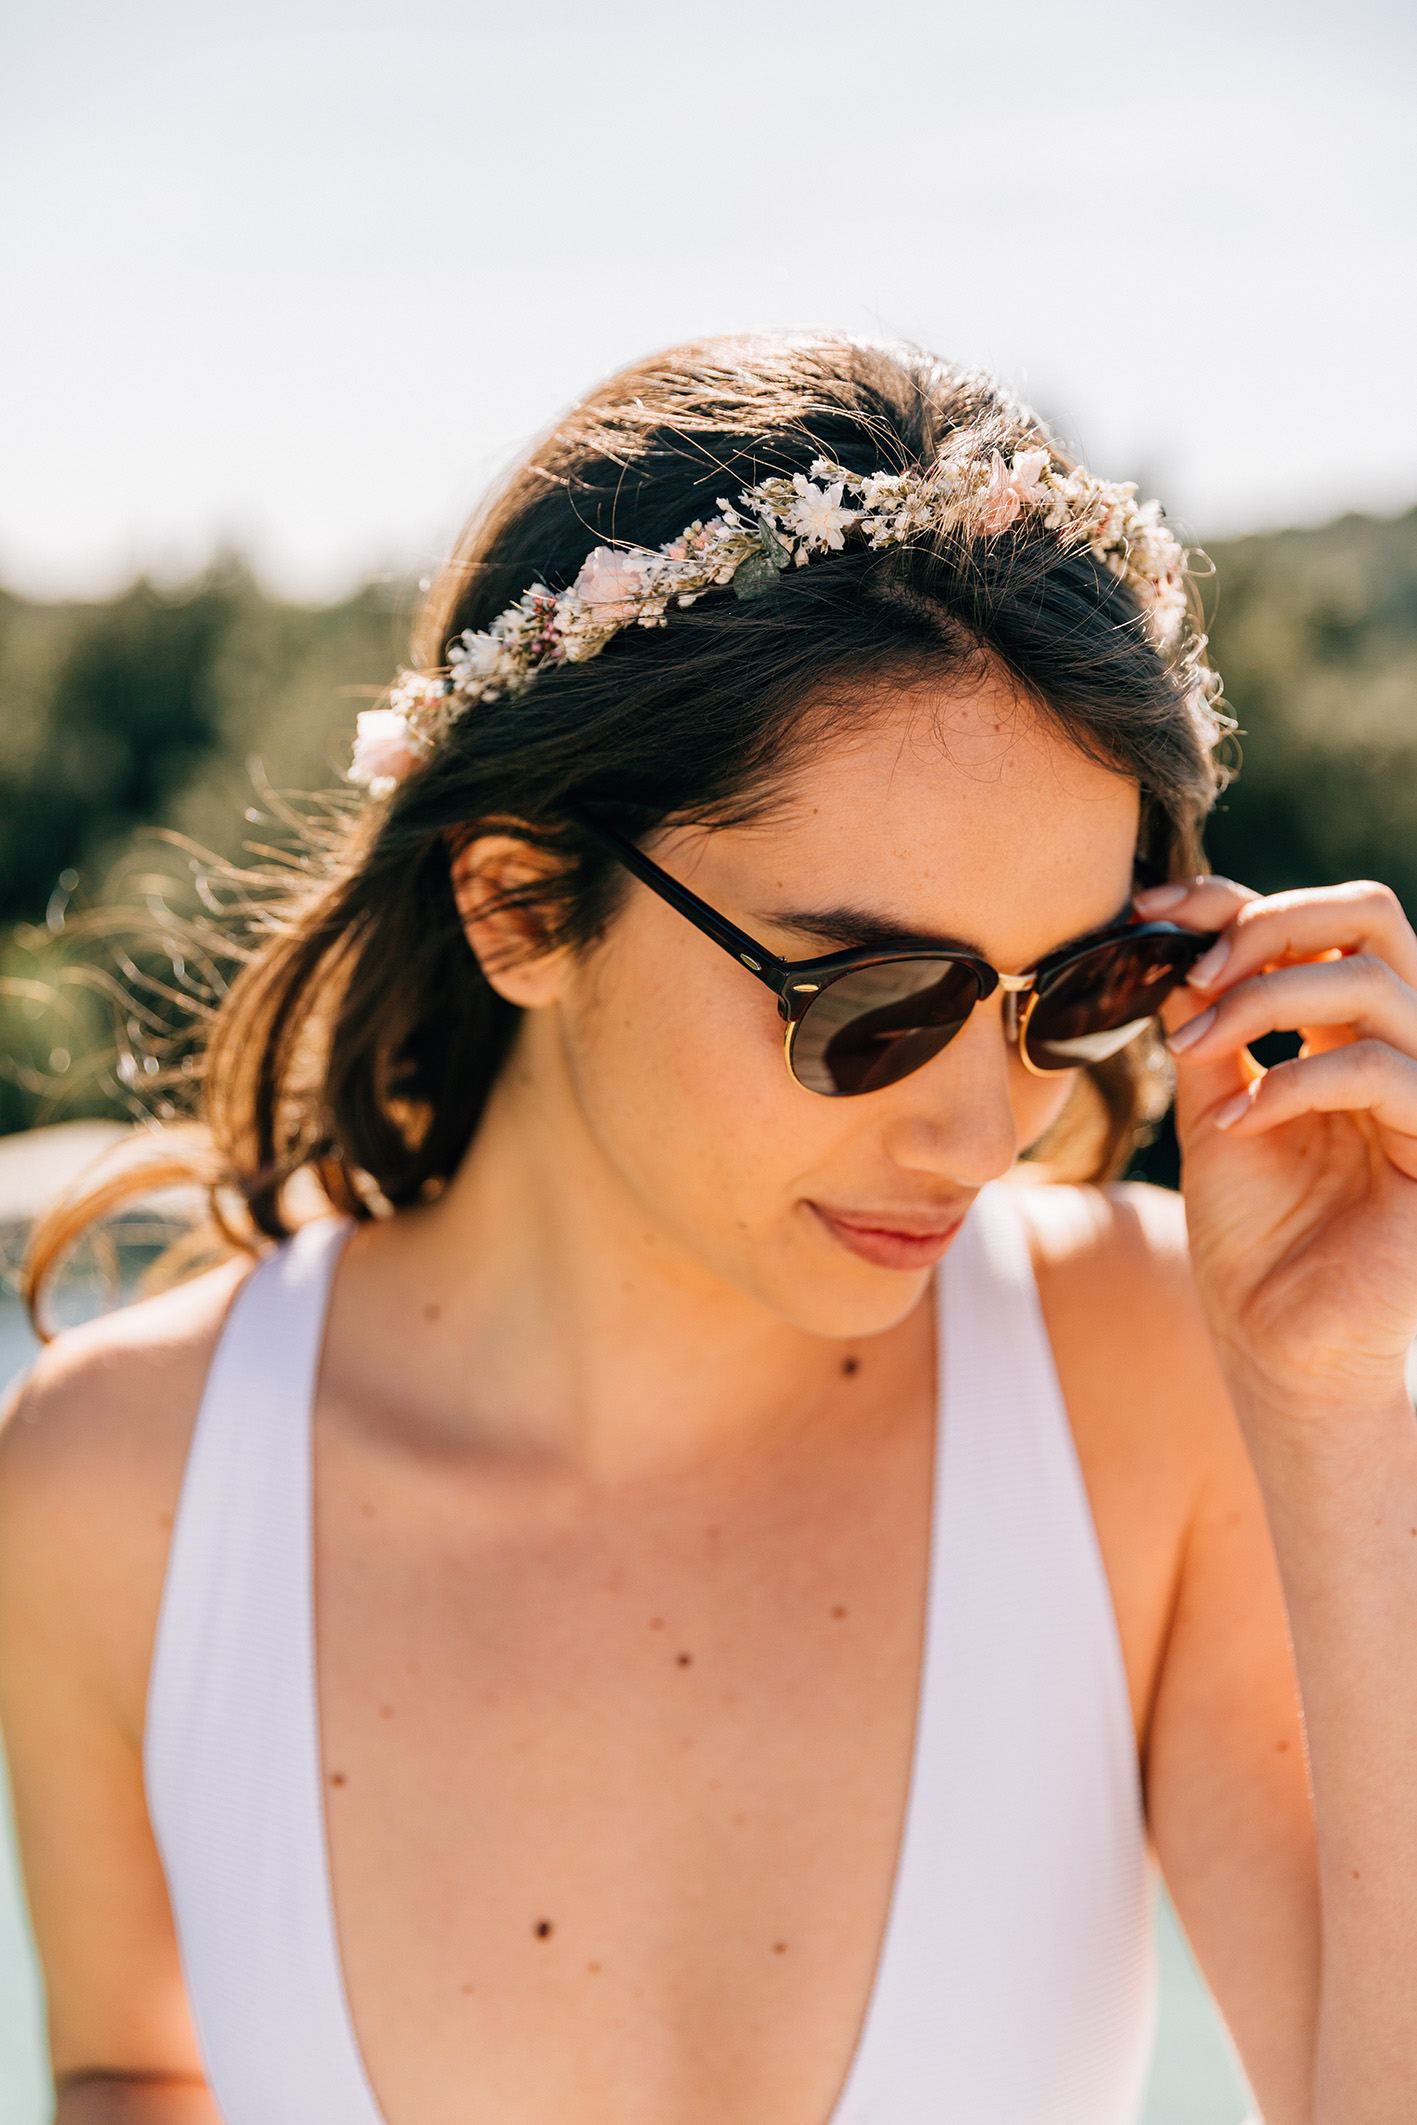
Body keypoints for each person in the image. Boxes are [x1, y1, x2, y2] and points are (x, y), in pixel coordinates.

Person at [2, 336, 1415, 2125]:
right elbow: (136, 2069)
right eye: (868, 1000)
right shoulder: (117, 1483)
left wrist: (1336, 1401)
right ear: (520, 902)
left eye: (1069, 991)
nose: (987, 1131)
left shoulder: (1137, 1382)